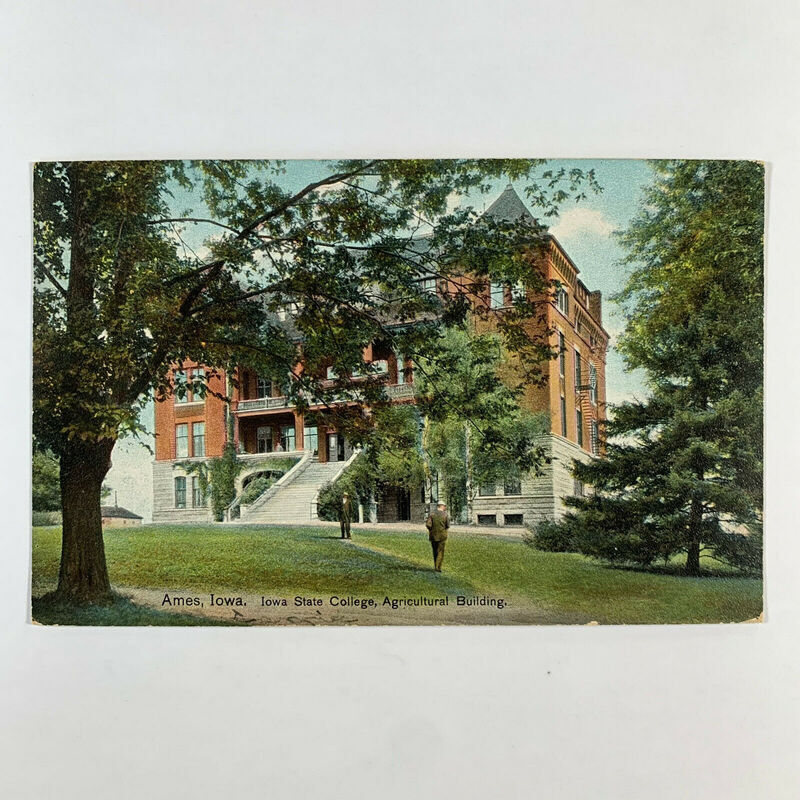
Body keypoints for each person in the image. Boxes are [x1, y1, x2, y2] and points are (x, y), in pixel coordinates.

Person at [425, 501, 449, 572]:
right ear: (441, 506)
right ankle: (438, 567)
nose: (445, 507)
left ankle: (436, 565)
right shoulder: (445, 515)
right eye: (444, 506)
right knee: (440, 552)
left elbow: (428, 525)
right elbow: (447, 525)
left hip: (433, 536)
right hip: (442, 536)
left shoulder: (432, 514)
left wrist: (432, 530)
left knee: (435, 551)